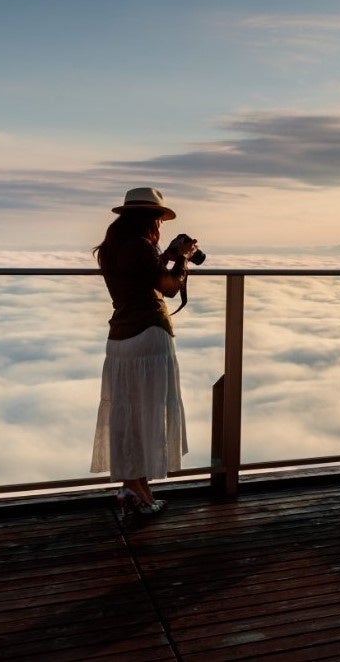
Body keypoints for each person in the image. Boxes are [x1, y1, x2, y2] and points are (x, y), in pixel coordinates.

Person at [90, 187, 197, 516]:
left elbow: (137, 274)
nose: (160, 226)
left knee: (127, 414)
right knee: (146, 413)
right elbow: (167, 286)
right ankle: (137, 492)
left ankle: (134, 490)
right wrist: (182, 259)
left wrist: (162, 256)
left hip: (120, 339)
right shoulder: (141, 247)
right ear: (151, 221)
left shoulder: (110, 249)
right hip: (149, 335)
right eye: (158, 220)